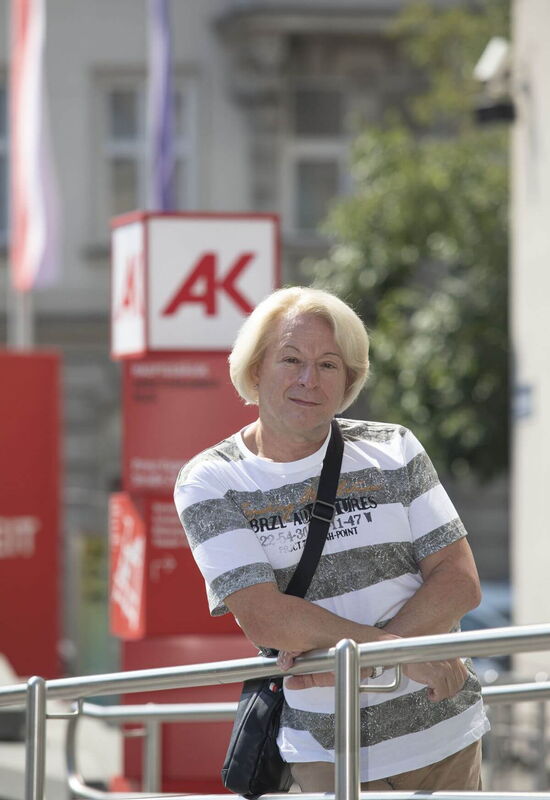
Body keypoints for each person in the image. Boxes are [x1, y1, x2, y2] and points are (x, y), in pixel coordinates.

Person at [174, 286, 489, 792]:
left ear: (348, 380)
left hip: (445, 735)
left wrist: (352, 661)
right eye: (291, 359)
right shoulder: (211, 480)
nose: (309, 379)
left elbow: (459, 580)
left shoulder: (394, 448)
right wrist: (393, 654)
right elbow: (265, 617)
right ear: (255, 369)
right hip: (329, 753)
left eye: (328, 364)